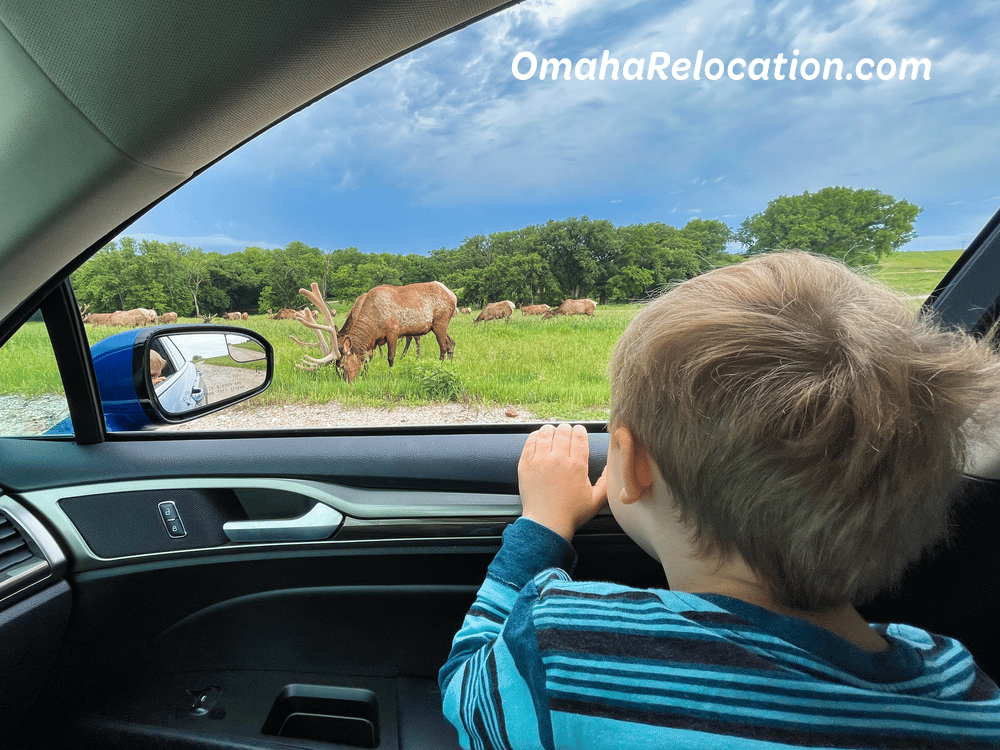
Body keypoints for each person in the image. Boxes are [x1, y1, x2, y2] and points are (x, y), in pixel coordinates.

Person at [439, 251, 1000, 749]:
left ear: (631, 466)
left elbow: (466, 690)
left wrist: (541, 526)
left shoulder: (565, 645)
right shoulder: (961, 686)